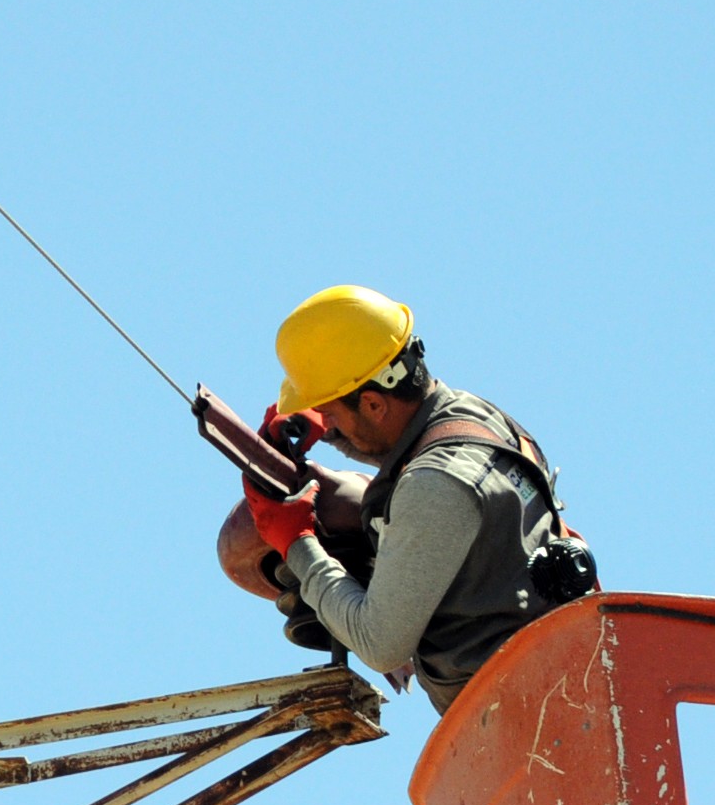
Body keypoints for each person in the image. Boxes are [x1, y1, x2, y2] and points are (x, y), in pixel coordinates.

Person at [244, 285, 592, 713]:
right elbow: (400, 443)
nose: (326, 422)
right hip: (556, 680)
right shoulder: (474, 416)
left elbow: (380, 643)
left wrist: (295, 542)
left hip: (519, 715)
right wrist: (326, 423)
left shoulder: (437, 486)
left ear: (372, 403)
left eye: (331, 412)